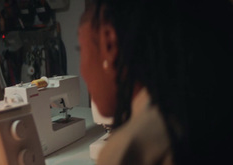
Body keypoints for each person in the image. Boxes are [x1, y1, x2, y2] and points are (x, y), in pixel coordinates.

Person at [78, 0, 233, 164]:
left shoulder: (131, 150)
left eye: (80, 49)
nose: (82, 70)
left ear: (109, 42)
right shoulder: (212, 115)